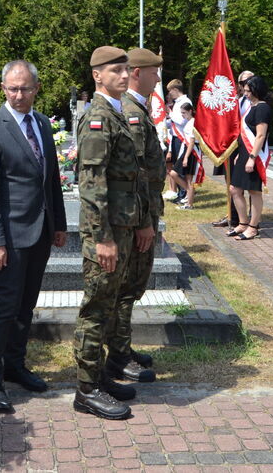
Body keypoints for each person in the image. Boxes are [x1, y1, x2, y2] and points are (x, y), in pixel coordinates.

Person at [0, 60, 66, 414]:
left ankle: (15, 365)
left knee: (26, 305)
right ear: (2, 89)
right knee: (4, 307)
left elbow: (51, 177)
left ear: (36, 88)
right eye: (12, 88)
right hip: (9, 236)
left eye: (25, 88)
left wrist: (58, 223)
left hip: (40, 232)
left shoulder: (41, 123)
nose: (19, 94)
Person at [72, 46, 146, 421]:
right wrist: (102, 239)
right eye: (116, 70)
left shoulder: (117, 114)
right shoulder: (97, 117)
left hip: (123, 228)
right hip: (106, 234)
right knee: (96, 309)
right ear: (97, 75)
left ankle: (99, 377)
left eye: (126, 69)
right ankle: (86, 390)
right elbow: (92, 184)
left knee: (111, 303)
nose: (124, 74)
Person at [107, 47, 164, 388]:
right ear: (138, 73)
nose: (158, 78)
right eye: (154, 72)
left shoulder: (137, 109)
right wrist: (144, 222)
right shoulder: (130, 111)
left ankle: (121, 348)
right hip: (135, 216)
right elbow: (138, 173)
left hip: (143, 212)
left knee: (132, 286)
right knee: (126, 287)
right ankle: (118, 355)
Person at [227, 75, 272, 241]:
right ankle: (243, 223)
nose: (245, 93)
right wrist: (241, 153)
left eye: (247, 90)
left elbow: (260, 136)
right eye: (244, 90)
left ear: (256, 90)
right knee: (235, 189)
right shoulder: (252, 107)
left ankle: (253, 227)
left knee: (254, 191)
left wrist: (252, 157)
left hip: (254, 154)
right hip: (245, 152)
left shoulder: (262, 108)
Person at [211, 70, 254, 230]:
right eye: (242, 83)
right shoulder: (236, 100)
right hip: (232, 145)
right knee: (232, 183)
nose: (245, 86)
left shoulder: (256, 102)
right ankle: (233, 216)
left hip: (248, 147)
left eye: (249, 82)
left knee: (250, 186)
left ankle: (251, 220)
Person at [163, 80, 191, 203]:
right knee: (175, 166)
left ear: (175, 89)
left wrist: (170, 113)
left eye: (170, 91)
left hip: (182, 138)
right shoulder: (177, 103)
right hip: (175, 137)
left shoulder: (185, 102)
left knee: (180, 169)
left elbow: (182, 121)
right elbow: (173, 123)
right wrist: (166, 121)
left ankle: (186, 194)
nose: (170, 94)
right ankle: (181, 192)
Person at [169, 102, 199, 210]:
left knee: (189, 178)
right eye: (181, 113)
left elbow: (191, 141)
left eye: (184, 113)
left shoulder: (193, 122)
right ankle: (189, 193)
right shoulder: (189, 122)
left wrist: (186, 157)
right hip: (187, 150)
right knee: (174, 173)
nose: (182, 115)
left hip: (191, 151)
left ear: (190, 111)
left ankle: (189, 204)